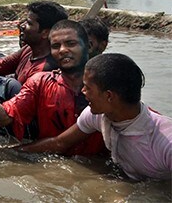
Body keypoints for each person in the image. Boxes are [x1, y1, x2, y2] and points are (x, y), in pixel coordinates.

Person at [0, 20, 105, 156]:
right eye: (55, 46)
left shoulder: (108, 80)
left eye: (71, 43)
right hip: (51, 168)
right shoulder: (39, 82)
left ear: (88, 46)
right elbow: (5, 116)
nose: (62, 50)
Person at [19, 53, 172, 181]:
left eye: (88, 87)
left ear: (109, 96)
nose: (83, 91)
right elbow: (59, 143)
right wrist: (11, 153)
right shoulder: (98, 115)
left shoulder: (165, 141)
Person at [0, 1, 67, 84]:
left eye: (29, 23)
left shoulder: (44, 71)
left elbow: (21, 97)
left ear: (45, 33)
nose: (22, 26)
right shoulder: (29, 49)